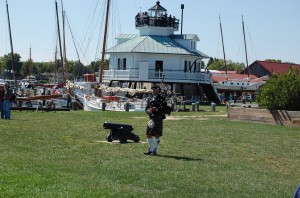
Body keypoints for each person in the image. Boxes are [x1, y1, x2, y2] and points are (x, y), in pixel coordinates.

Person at [144, 85, 169, 156]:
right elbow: (146, 108)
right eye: (152, 89)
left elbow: (165, 109)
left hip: (158, 118)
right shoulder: (150, 98)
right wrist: (148, 111)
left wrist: (157, 109)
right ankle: (150, 149)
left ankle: (154, 150)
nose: (153, 90)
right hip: (151, 118)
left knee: (156, 135)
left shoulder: (162, 99)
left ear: (158, 90)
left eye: (154, 89)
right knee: (148, 134)